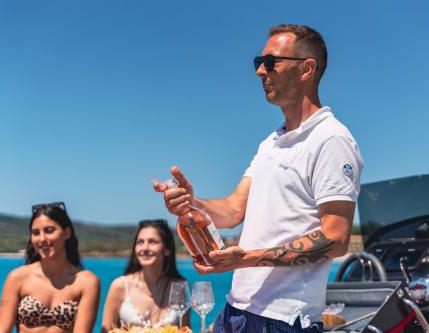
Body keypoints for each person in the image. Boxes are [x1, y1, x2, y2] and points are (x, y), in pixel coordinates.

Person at [154, 24, 363, 333]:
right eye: (258, 63)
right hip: (237, 309)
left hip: (284, 319)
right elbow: (234, 208)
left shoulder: (331, 139)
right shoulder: (271, 142)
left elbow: (336, 238)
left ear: (306, 69)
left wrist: (245, 258)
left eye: (270, 62)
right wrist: (193, 202)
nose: (260, 72)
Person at [0, 202, 100, 333]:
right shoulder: (17, 278)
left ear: (67, 233)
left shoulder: (87, 282)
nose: (42, 238)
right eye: (35, 233)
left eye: (49, 231)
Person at [101, 219, 190, 332]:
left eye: (152, 242)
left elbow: (186, 329)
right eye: (140, 242)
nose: (145, 248)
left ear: (167, 249)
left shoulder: (180, 287)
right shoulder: (120, 286)